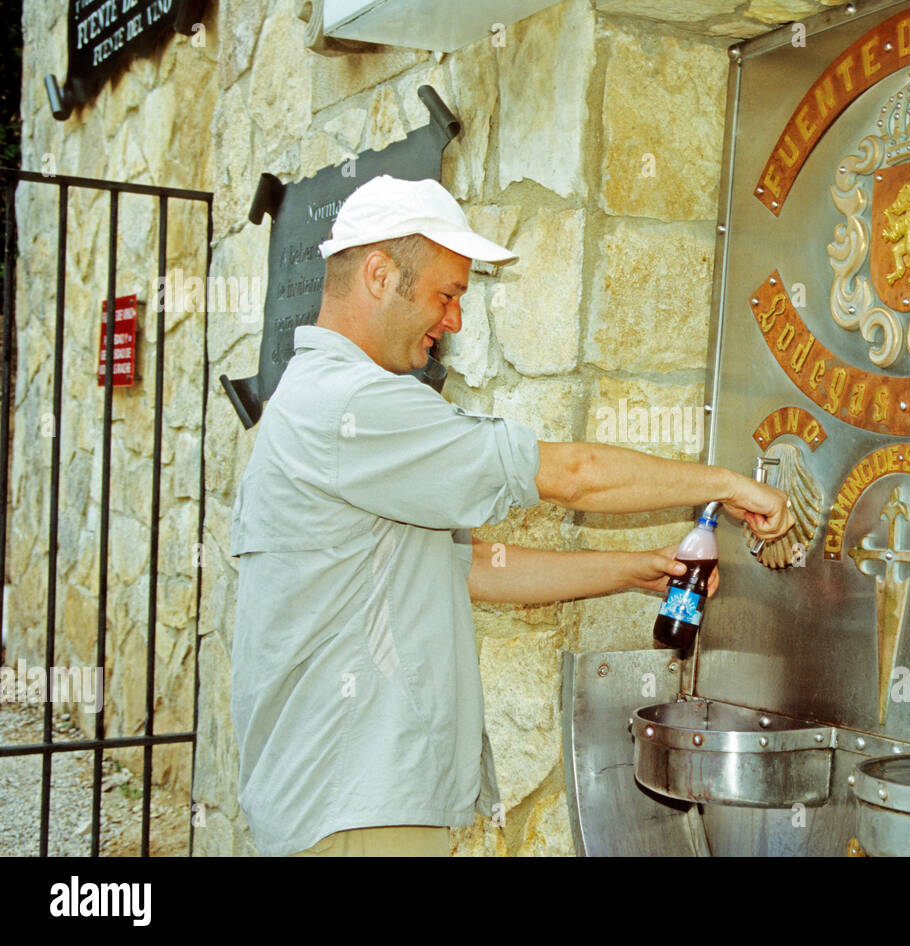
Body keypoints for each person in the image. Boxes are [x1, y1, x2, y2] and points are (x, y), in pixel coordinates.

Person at [228, 176, 792, 857]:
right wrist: (727, 482)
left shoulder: (326, 402)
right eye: (448, 293)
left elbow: (469, 570)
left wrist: (631, 571)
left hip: (347, 801)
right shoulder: (353, 406)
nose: (456, 320)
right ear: (379, 274)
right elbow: (571, 476)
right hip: (354, 808)